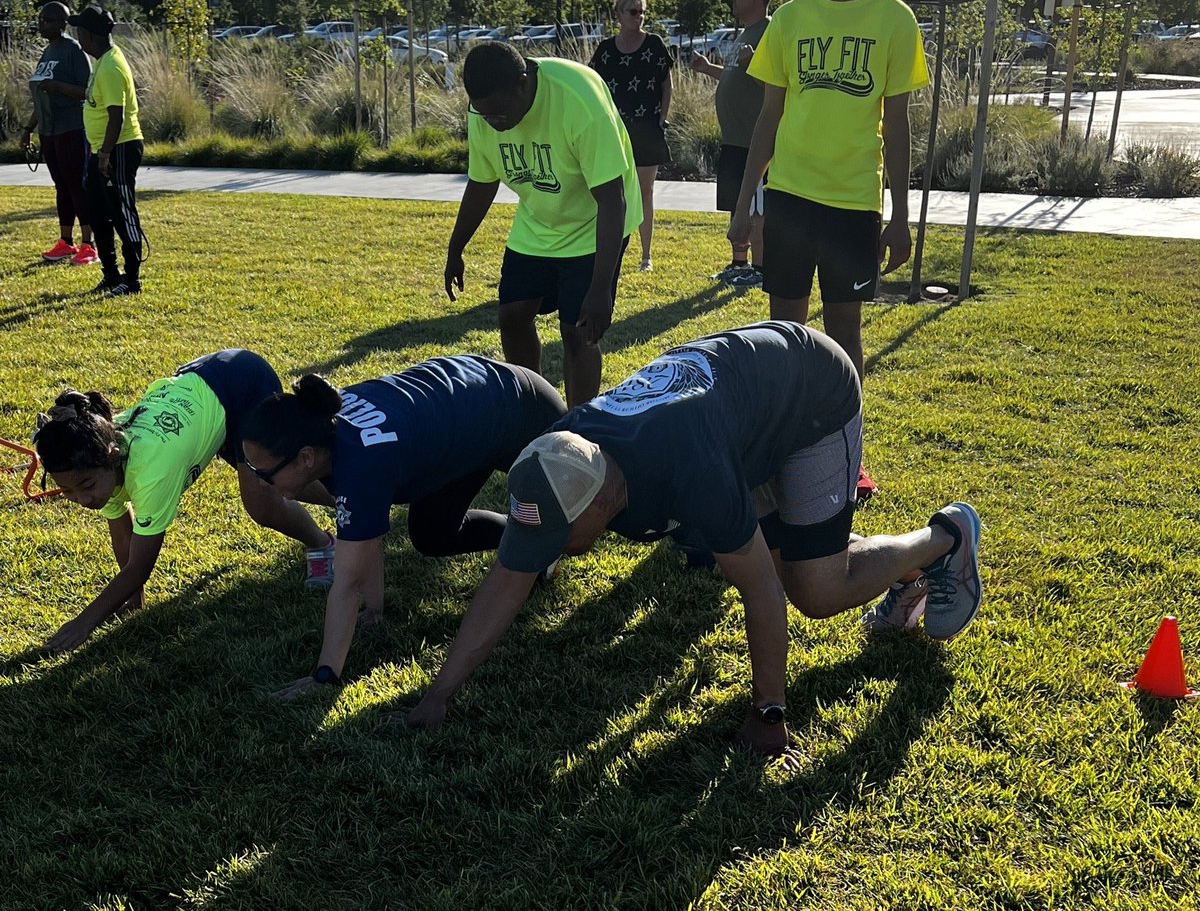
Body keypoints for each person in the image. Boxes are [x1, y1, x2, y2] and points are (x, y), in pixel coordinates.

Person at [400, 322, 982, 757]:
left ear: (604, 504)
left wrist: (770, 713)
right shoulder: (561, 452)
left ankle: (945, 536)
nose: (545, 546)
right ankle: (895, 565)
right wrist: (438, 696)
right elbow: (507, 580)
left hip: (811, 393)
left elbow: (758, 593)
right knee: (790, 560)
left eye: (558, 532)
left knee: (813, 591)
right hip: (741, 407)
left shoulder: (691, 472)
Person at [729, 0, 930, 497]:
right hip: (789, 197)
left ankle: (846, 448)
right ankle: (779, 446)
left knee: (845, 331)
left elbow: (897, 125)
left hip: (853, 204)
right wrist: (745, 204)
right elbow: (766, 119)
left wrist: (898, 216)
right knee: (784, 330)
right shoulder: (790, 19)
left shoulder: (894, 20)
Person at [239, 356, 567, 698]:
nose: (261, 483)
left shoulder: (360, 465)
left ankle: (541, 546)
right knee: (433, 533)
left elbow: (348, 581)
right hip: (474, 410)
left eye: (264, 474)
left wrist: (325, 676)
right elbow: (367, 536)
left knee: (577, 523)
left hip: (526, 410)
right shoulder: (321, 423)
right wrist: (375, 610)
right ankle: (532, 545)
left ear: (305, 458)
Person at [31, 350, 337, 655]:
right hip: (205, 386)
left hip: (241, 381)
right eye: (68, 491)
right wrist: (132, 599)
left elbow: (139, 566)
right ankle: (346, 499)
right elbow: (124, 532)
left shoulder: (152, 470)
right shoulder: (101, 453)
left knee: (262, 500)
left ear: (112, 457)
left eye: (86, 486)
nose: (83, 500)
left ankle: (323, 542)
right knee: (268, 479)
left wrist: (84, 622)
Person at [445, 40, 641, 407]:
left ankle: (575, 428)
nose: (494, 124)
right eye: (484, 115)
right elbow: (482, 182)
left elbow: (612, 200)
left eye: (500, 114)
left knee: (577, 332)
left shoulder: (578, 102)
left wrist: (600, 290)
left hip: (595, 222)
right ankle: (531, 411)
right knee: (512, 315)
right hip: (539, 222)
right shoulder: (485, 109)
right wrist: (456, 248)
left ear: (522, 83)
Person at [691, 0, 773, 290]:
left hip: (755, 141)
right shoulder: (744, 34)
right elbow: (734, 76)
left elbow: (773, 87)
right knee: (737, 204)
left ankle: (760, 268)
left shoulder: (767, 33)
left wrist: (754, 62)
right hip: (733, 141)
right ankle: (738, 264)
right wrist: (707, 69)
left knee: (756, 209)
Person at [589, 0, 674, 272]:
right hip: (614, 130)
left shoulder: (654, 45)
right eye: (632, 12)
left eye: (642, 12)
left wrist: (662, 119)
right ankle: (609, 251)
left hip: (647, 128)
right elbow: (594, 86)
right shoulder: (605, 50)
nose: (638, 17)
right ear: (619, 14)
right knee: (612, 191)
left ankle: (646, 255)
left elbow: (666, 84)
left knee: (645, 191)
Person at [69, 5, 146, 297]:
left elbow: (118, 116)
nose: (78, 38)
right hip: (100, 149)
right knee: (98, 213)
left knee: (122, 213)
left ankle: (132, 279)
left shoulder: (112, 66)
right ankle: (111, 275)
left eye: (79, 32)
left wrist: (105, 155)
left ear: (89, 35)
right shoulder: (101, 61)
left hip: (119, 148)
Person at [22, 2, 97, 266]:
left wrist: (57, 86)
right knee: (61, 186)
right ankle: (66, 242)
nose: (42, 24)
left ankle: (89, 244)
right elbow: (40, 95)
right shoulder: (47, 52)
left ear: (62, 23)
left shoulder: (73, 51)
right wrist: (28, 128)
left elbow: (86, 92)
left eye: (48, 20)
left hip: (71, 128)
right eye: (41, 20)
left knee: (78, 185)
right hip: (49, 130)